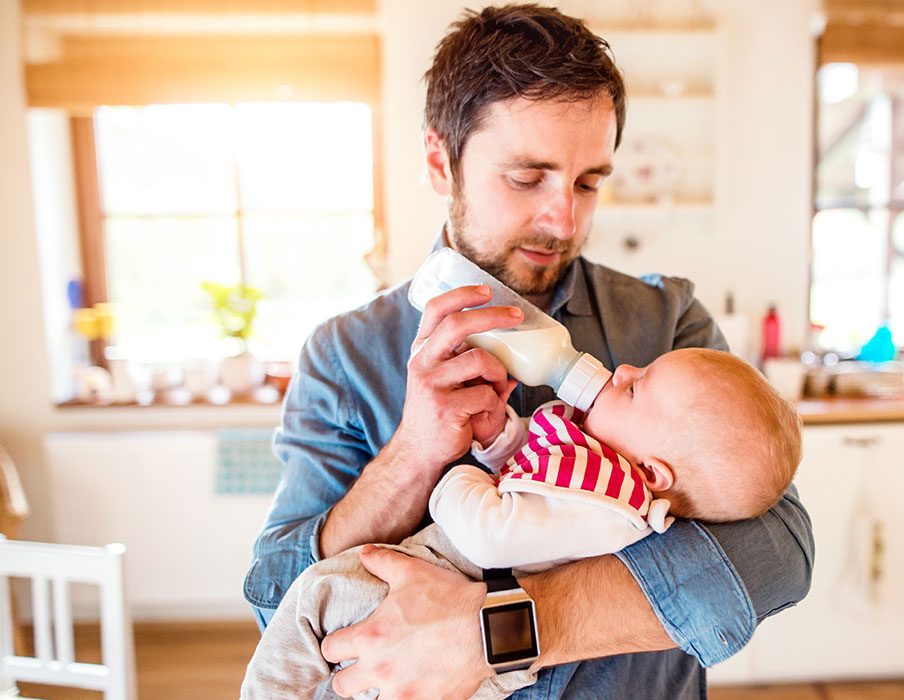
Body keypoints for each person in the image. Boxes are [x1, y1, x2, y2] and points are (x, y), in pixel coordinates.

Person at [244, 5, 814, 699]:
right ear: (439, 163)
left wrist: (499, 631)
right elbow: (275, 595)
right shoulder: (345, 355)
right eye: (526, 178)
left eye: (588, 182)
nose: (564, 219)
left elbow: (778, 553)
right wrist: (413, 457)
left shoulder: (664, 322)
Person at [241, 348, 803, 698]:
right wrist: (493, 440)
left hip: (452, 569)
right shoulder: (341, 351)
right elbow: (539, 485)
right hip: (439, 641)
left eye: (635, 387)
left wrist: (457, 479)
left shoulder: (611, 505)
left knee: (315, 596)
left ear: (654, 472)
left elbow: (495, 529)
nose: (624, 367)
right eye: (525, 177)